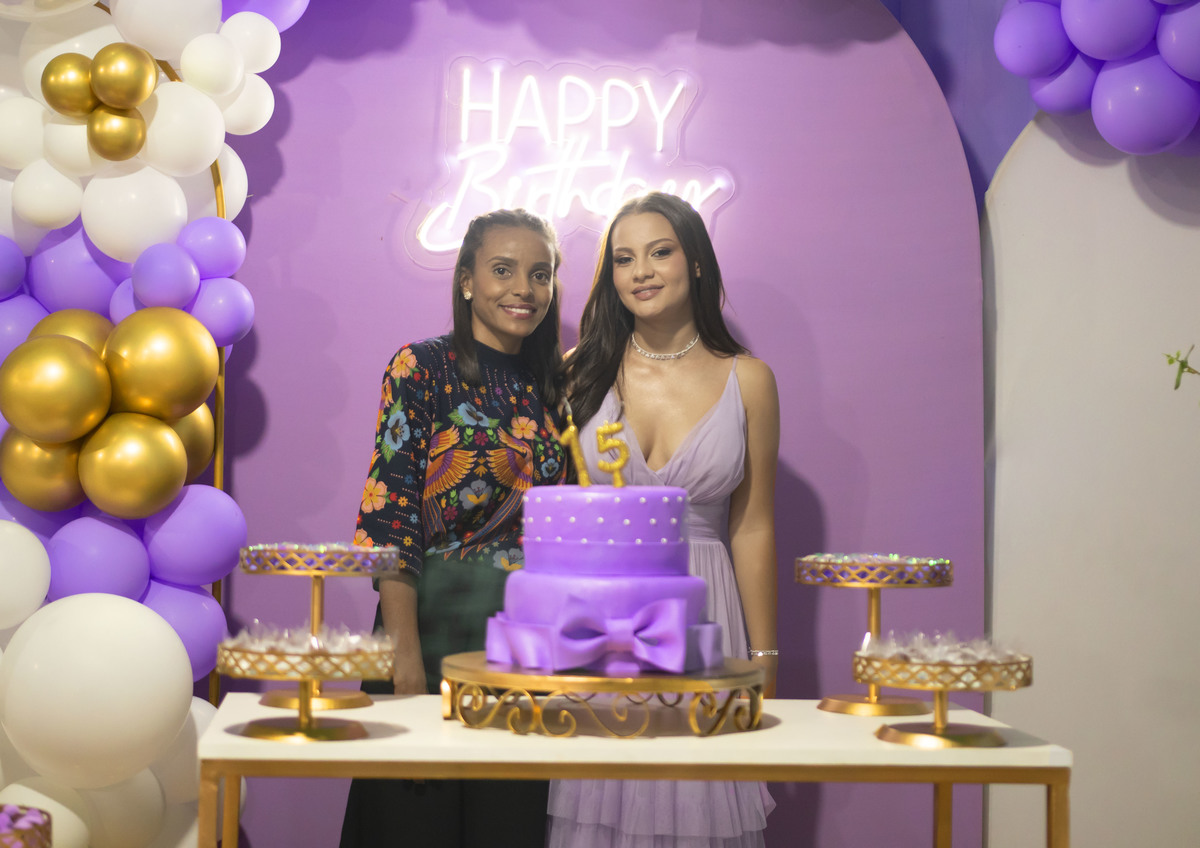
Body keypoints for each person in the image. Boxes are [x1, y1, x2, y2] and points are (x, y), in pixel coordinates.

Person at [550, 191, 780, 848]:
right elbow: (559, 517)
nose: (641, 272)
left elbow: (753, 526)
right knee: (599, 806)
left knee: (696, 805)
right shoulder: (578, 375)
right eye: (624, 259)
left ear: (696, 263)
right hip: (602, 623)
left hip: (707, 615)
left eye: (660, 252)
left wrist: (764, 659)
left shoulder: (749, 380)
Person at [340, 208, 568, 848]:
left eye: (540, 274)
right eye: (503, 270)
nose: (524, 289)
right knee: (413, 828)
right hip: (427, 630)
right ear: (467, 280)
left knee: (508, 827)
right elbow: (391, 521)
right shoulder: (421, 367)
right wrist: (405, 663)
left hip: (523, 648)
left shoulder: (558, 387)